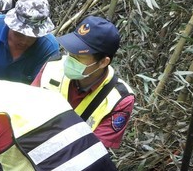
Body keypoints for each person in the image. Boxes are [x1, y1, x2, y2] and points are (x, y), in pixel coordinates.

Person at [32, 16, 135, 149]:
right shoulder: (53, 66)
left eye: (79, 56)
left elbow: (95, 151)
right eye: (71, 52)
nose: (70, 60)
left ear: (103, 62)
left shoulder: (120, 98)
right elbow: (25, 109)